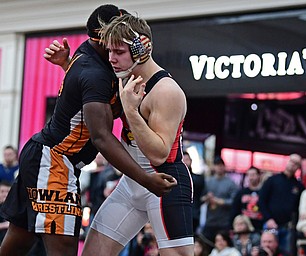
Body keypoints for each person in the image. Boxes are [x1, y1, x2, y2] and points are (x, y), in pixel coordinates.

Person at [0, 5, 176, 256]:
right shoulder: (95, 73)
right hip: (53, 163)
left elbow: (80, 95)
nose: (119, 51)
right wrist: (146, 180)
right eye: (116, 42)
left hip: (43, 157)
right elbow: (102, 137)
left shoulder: (89, 57)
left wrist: (65, 66)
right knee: (60, 251)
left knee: (15, 247)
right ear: (104, 40)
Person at [81, 14, 193, 256]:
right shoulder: (125, 75)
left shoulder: (166, 92)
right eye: (109, 50)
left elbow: (159, 152)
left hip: (164, 183)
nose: (111, 58)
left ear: (143, 48)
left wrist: (130, 109)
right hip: (131, 185)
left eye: (119, 51)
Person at [258, 153, 304, 255]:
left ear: (298, 167)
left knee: (286, 253)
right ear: (288, 161)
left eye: (296, 163)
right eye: (292, 161)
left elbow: (298, 208)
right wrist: (268, 218)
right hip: (270, 225)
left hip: (288, 227)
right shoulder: (273, 180)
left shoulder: (299, 186)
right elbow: (261, 200)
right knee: (267, 252)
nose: (293, 164)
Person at [199, 156, 238, 250]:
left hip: (223, 222)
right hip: (209, 221)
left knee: (223, 248)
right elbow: (200, 198)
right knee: (205, 246)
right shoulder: (208, 181)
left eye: (221, 165)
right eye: (217, 165)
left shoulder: (231, 183)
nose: (219, 167)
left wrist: (221, 201)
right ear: (213, 167)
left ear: (224, 167)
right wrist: (207, 198)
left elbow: (235, 201)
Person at [231, 166, 263, 231]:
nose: (251, 177)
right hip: (244, 227)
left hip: (260, 226)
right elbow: (235, 209)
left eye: (253, 175)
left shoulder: (264, 192)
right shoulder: (241, 192)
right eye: (249, 175)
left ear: (259, 175)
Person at [183, 151, 205, 234]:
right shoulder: (174, 178)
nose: (185, 162)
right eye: (183, 160)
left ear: (191, 161)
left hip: (194, 213)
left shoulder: (198, 178)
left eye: (187, 159)